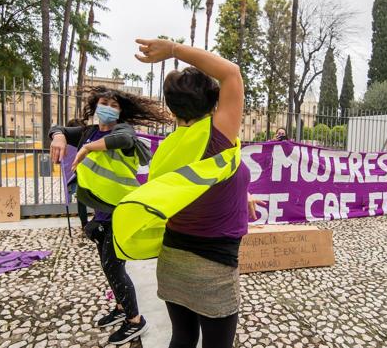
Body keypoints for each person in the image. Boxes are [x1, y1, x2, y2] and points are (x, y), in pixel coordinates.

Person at [131, 38, 250, 348]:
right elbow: (231, 73)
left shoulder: (167, 149)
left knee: (182, 337)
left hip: (172, 259)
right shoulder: (216, 135)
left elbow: (193, 190)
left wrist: (242, 197)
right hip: (212, 266)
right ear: (214, 103)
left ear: (172, 108)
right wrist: (173, 49)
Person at [49, 86, 170, 345]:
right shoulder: (87, 132)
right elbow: (57, 127)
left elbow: (124, 142)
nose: (109, 108)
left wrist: (88, 149)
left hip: (123, 211)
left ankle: (135, 320)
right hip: (103, 212)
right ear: (95, 106)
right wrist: (58, 136)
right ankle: (120, 307)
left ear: (121, 111)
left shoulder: (122, 130)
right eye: (104, 103)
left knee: (112, 266)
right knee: (111, 267)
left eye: (114, 105)